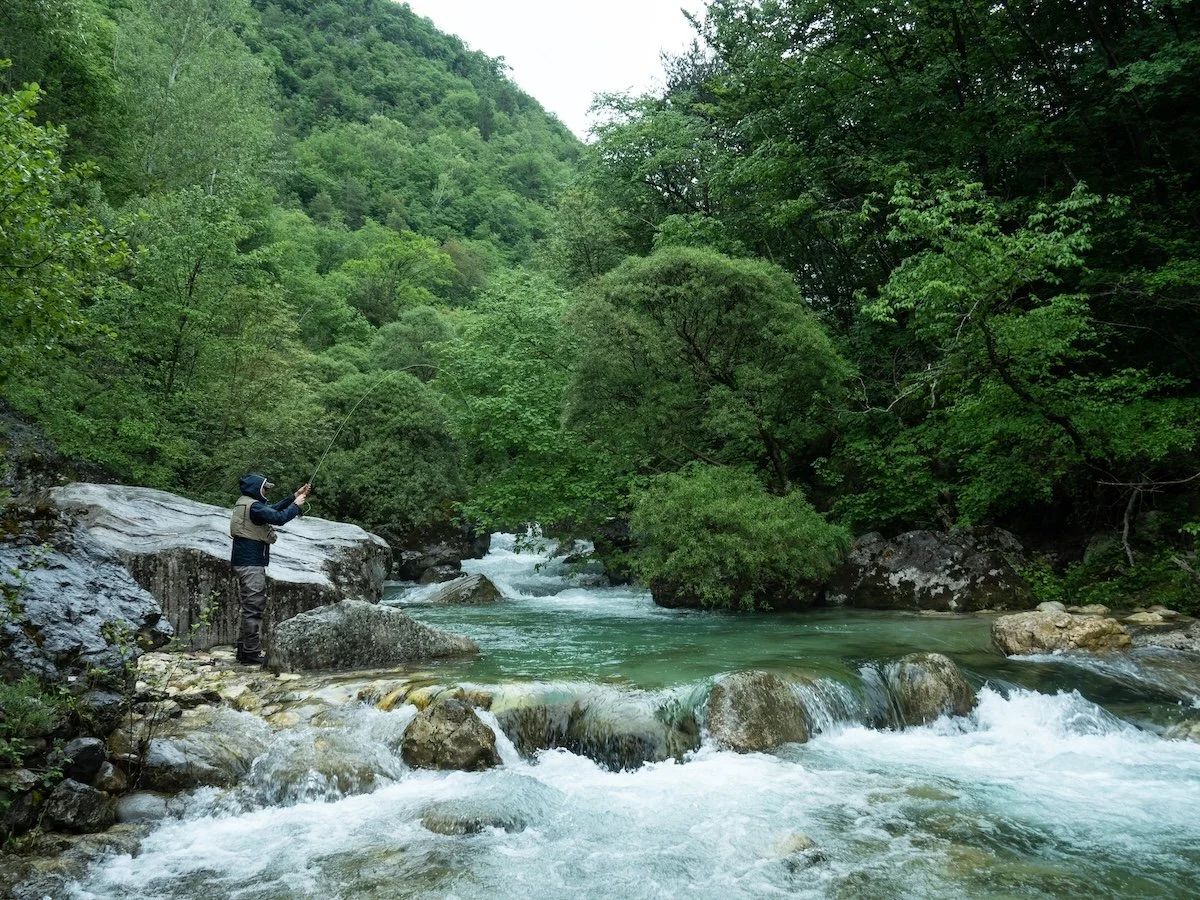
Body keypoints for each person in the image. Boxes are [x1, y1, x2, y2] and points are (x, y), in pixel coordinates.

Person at [229, 473, 311, 665]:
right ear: (256, 488)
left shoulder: (247, 503)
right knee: (254, 607)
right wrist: (296, 505)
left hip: (245, 562)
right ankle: (250, 653)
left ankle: (244, 650)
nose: (266, 491)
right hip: (250, 564)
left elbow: (271, 510)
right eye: (265, 488)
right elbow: (279, 518)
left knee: (250, 606)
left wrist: (293, 497)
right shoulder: (254, 506)